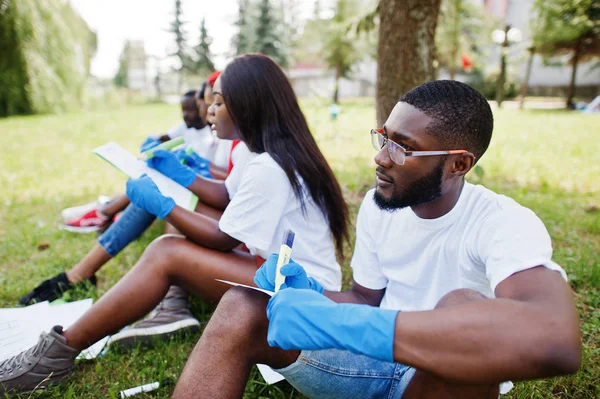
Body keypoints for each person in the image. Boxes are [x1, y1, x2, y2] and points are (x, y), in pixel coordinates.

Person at [169, 80, 582, 399]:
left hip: (438, 378)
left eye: (403, 148)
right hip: (368, 365)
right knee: (243, 304)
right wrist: (316, 298)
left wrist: (357, 326)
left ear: (458, 163)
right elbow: (367, 300)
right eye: (383, 137)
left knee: (461, 308)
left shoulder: (502, 222)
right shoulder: (379, 203)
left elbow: (556, 338)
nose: (381, 157)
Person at [0, 53, 350, 395]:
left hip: (302, 289)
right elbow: (226, 197)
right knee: (171, 243)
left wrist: (162, 204)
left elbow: (222, 238)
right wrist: (180, 173)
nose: (209, 110)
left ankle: (54, 355)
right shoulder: (252, 152)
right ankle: (69, 344)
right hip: (273, 271)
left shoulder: (270, 166)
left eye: (218, 102)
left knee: (166, 252)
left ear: (247, 105)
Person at [18, 86, 231, 308]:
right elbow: (231, 190)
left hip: (239, 248)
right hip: (228, 223)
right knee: (158, 188)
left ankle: (172, 303)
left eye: (216, 104)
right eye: (207, 105)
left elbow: (229, 227)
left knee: (165, 201)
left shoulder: (252, 150)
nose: (207, 113)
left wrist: (194, 173)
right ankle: (80, 272)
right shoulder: (233, 139)